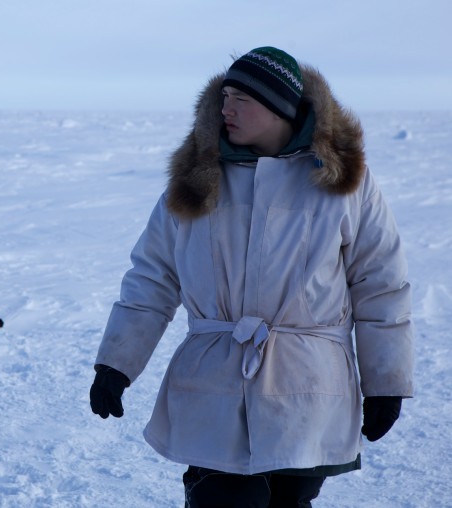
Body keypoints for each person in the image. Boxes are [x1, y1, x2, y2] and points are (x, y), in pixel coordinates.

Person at [89, 47, 414, 507]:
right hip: (214, 386)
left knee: (290, 500)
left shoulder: (344, 182)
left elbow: (380, 285)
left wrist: (387, 382)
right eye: (224, 96)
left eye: (241, 98)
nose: (226, 109)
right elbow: (153, 278)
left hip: (306, 390)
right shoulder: (195, 179)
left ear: (280, 107)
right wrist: (116, 363)